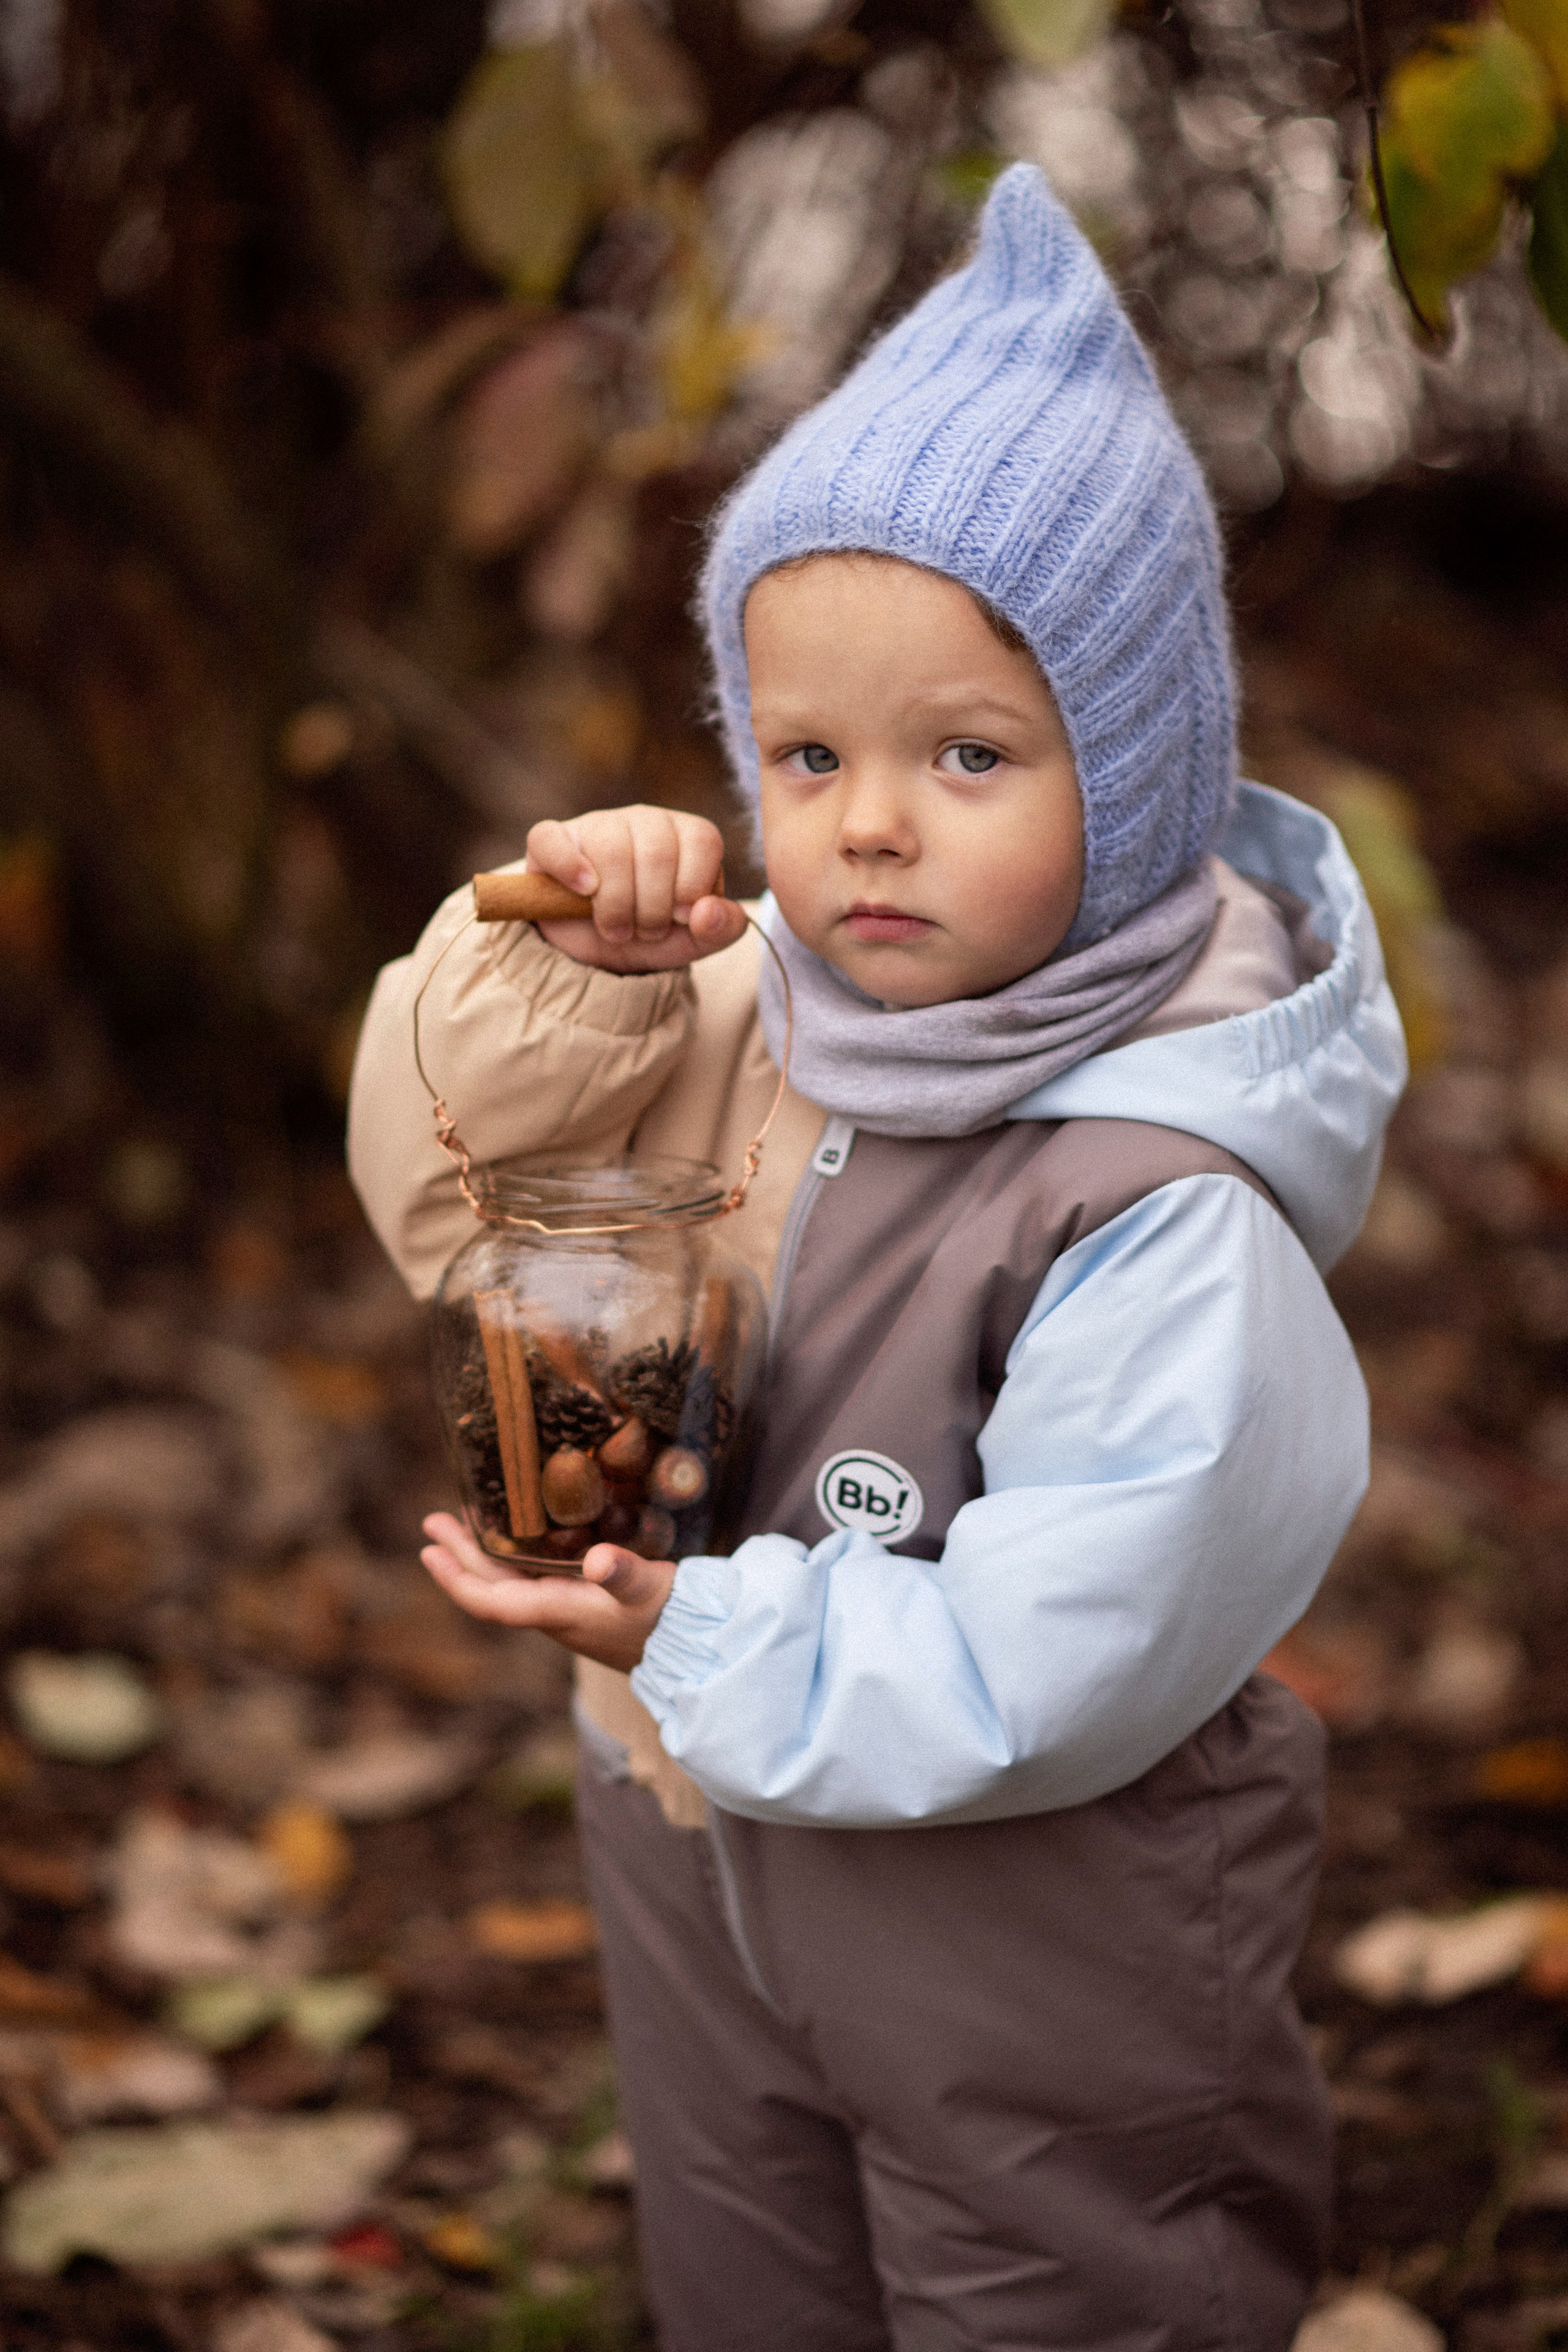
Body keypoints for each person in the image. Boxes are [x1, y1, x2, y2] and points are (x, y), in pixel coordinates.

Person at [348, 164, 1406, 2351]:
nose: (871, 823)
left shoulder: (1160, 1196)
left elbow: (1071, 1648)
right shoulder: (745, 1006)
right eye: (808, 755)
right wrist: (564, 972)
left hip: (1045, 1929)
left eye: (969, 755)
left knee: (1064, 2294)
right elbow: (452, 1205)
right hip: (696, 1842)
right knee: (754, 2278)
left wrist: (696, 1638)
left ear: (1136, 781)